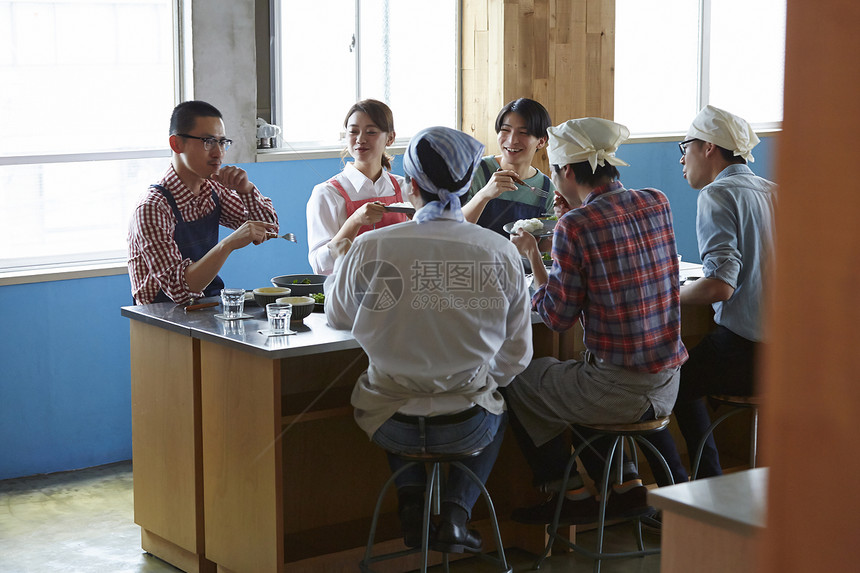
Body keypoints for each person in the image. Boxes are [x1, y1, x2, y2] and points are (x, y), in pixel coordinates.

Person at [325, 127, 533, 553]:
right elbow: (517, 356)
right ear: (468, 184)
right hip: (467, 425)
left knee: (398, 399)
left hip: (391, 424)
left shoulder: (371, 247)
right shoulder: (500, 251)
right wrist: (473, 377)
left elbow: (339, 316)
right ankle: (456, 515)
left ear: (411, 185)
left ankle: (412, 506)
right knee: (496, 407)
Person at [505, 117, 688, 525]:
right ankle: (625, 487)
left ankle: (567, 493)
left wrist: (535, 255)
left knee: (517, 378)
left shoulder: (575, 224)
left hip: (620, 392)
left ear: (566, 171)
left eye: (553, 173)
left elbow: (556, 317)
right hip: (668, 382)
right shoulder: (656, 200)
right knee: (573, 376)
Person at [653, 105, 777, 481]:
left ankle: (689, 489)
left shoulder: (717, 194)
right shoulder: (773, 191)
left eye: (683, 148)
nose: (681, 160)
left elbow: (721, 285)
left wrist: (665, 294)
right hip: (791, 359)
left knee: (663, 385)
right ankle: (709, 481)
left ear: (708, 147)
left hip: (747, 353)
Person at [128, 100, 278, 305]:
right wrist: (228, 244)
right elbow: (179, 290)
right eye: (208, 142)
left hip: (206, 309)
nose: (219, 153)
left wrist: (246, 190)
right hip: (161, 322)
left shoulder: (213, 189)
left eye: (222, 142)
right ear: (176, 144)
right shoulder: (152, 207)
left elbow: (270, 230)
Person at [306, 99, 409, 275]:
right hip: (350, 295)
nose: (360, 139)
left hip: (400, 290)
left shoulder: (405, 188)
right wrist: (354, 221)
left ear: (390, 138)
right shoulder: (327, 193)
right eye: (353, 132)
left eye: (371, 132)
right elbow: (319, 265)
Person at [461, 98, 555, 236]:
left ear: (541, 141)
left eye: (523, 133)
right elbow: (453, 228)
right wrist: (484, 195)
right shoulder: (475, 170)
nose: (512, 140)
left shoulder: (546, 189)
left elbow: (546, 247)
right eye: (505, 130)